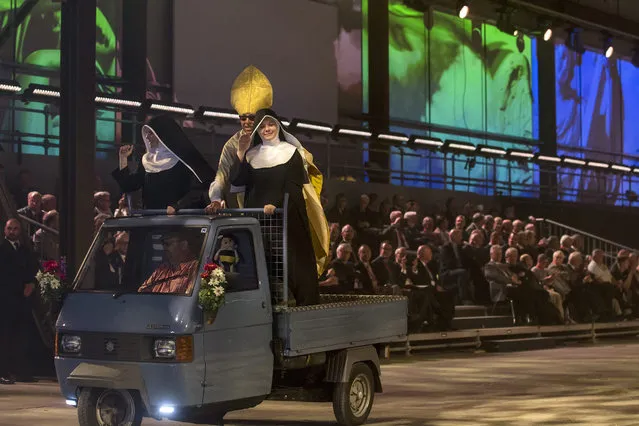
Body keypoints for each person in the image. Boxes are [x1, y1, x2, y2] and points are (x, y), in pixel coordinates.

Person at [230, 109, 323, 306]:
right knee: (261, 266)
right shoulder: (251, 154)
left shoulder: (291, 152)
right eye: (262, 126)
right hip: (259, 222)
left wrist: (277, 205)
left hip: (285, 219)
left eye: (270, 124)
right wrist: (241, 152)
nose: (267, 129)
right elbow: (237, 181)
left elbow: (294, 188)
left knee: (292, 265)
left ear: (278, 126)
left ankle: (304, 305)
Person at [112, 115, 214, 214]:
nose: (147, 137)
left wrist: (178, 206)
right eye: (147, 133)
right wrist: (123, 158)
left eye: (151, 133)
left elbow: (199, 189)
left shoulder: (184, 160)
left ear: (163, 135)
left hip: (180, 222)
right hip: (151, 220)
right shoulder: (147, 161)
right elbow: (129, 186)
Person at [208, 65, 272, 209]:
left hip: (267, 203)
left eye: (251, 117)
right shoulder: (232, 144)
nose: (247, 122)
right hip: (241, 205)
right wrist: (216, 199)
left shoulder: (270, 138)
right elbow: (221, 176)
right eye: (243, 118)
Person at [0, 219, 39, 384]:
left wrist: (32, 283)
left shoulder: (24, 250)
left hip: (22, 300)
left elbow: (33, 269)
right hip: (5, 299)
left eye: (15, 229)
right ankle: (3, 371)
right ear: (4, 230)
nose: (12, 231)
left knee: (20, 336)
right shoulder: (2, 249)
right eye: (10, 228)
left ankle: (19, 371)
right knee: (4, 337)